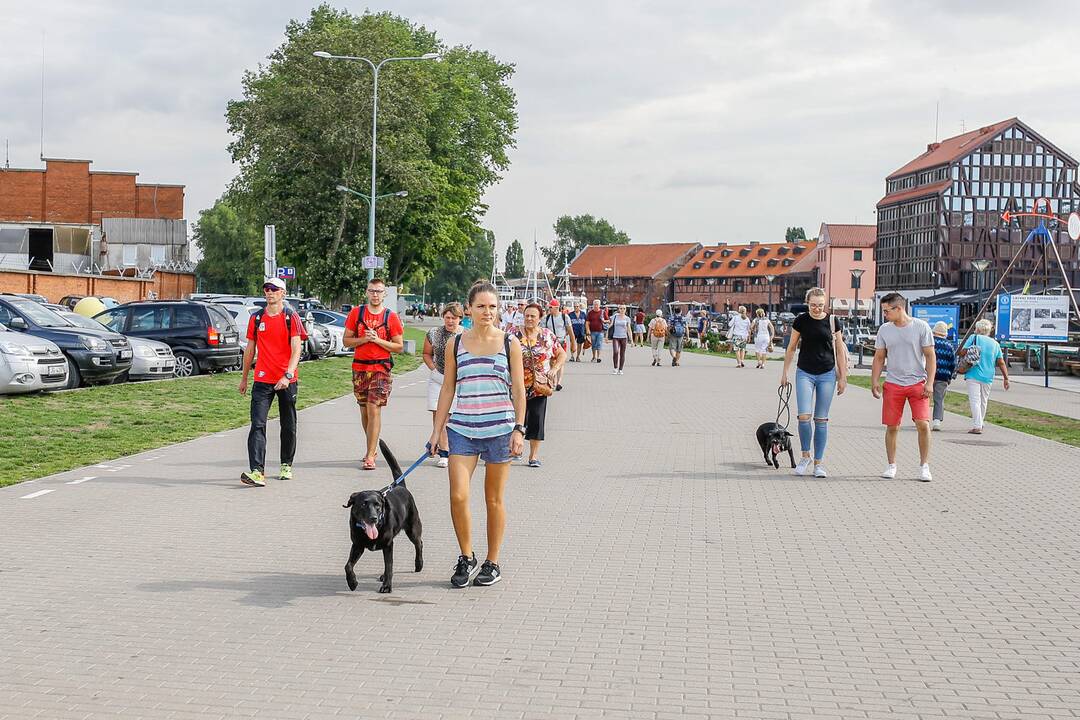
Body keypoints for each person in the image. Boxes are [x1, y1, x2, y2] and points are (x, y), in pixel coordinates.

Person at [429, 281, 526, 588]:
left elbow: (520, 391)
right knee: (458, 495)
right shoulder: (455, 344)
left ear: (499, 310)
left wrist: (520, 429)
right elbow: (447, 388)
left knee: (493, 499)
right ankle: (466, 555)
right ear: (469, 309)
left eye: (493, 307)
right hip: (462, 431)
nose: (487, 312)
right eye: (481, 306)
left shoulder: (510, 343)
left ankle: (492, 561)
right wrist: (436, 431)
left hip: (499, 430)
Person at [238, 277, 303, 487]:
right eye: (266, 289)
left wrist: (288, 375)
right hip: (262, 379)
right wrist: (245, 377)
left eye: (274, 289)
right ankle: (257, 471)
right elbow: (250, 349)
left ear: (283, 293)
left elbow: (297, 349)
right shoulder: (256, 318)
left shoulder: (290, 317)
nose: (269, 292)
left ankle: (286, 464)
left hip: (286, 379)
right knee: (257, 424)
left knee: (288, 425)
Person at [779, 287, 847, 478]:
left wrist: (843, 377)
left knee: (821, 419)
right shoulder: (801, 320)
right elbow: (791, 348)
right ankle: (804, 456)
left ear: (825, 304)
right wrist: (785, 372)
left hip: (827, 373)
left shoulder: (833, 321)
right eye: (813, 305)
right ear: (807, 303)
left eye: (820, 305)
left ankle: (818, 463)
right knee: (803, 416)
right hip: (805, 373)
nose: (816, 309)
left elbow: (840, 351)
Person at [871, 293, 935, 482]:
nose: (884, 314)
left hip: (918, 383)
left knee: (923, 424)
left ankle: (924, 466)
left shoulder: (921, 327)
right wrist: (874, 380)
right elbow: (879, 357)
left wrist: (930, 382)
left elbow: (930, 357)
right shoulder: (885, 330)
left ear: (898, 308)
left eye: (886, 311)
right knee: (892, 426)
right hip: (893, 383)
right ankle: (891, 465)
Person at [344, 277, 404, 471]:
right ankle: (371, 446)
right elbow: (346, 341)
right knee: (364, 411)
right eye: (372, 291)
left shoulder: (390, 317)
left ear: (384, 294)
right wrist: (363, 339)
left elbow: (398, 346)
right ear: (367, 292)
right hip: (360, 368)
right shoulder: (356, 313)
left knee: (373, 407)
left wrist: (378, 340)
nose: (375, 295)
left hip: (380, 368)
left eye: (378, 291)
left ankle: (370, 455)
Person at [512, 301, 566, 467]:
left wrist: (554, 369)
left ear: (540, 318)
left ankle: (533, 456)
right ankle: (515, 449)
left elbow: (562, 354)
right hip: (516, 385)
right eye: (526, 315)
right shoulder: (513, 334)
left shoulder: (547, 336)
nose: (528, 319)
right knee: (516, 419)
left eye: (532, 316)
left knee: (537, 419)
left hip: (539, 387)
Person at [423, 303, 464, 468]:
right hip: (437, 377)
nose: (450, 321)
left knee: (450, 417)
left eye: (454, 318)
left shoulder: (465, 335)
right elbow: (426, 353)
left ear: (460, 318)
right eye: (447, 317)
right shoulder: (434, 333)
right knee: (438, 414)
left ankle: (446, 446)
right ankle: (443, 451)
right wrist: (433, 369)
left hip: (456, 380)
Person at [959, 318, 1009, 434]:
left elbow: (962, 352)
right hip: (988, 376)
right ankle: (980, 422)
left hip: (973, 373)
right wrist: (1006, 378)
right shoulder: (995, 344)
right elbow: (1001, 362)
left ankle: (977, 426)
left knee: (975, 400)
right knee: (983, 400)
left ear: (977, 328)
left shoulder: (973, 338)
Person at [930, 321, 956, 431]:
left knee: (923, 398)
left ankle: (921, 418)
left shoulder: (929, 343)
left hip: (927, 374)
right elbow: (952, 364)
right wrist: (950, 377)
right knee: (939, 399)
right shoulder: (949, 346)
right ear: (945, 333)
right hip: (943, 376)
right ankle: (936, 421)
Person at [543, 300, 574, 390]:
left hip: (561, 342)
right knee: (552, 362)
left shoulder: (565, 317)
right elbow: (542, 330)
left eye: (550, 307)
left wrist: (573, 343)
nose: (549, 309)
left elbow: (570, 330)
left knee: (561, 361)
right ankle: (554, 381)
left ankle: (559, 382)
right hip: (550, 343)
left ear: (556, 308)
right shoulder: (547, 318)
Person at [609, 304, 632, 374]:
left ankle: (620, 369)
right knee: (615, 352)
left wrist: (631, 340)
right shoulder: (614, 317)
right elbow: (611, 325)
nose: (622, 310)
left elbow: (629, 329)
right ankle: (615, 368)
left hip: (624, 337)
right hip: (615, 337)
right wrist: (607, 336)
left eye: (624, 308)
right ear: (618, 309)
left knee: (622, 353)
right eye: (621, 308)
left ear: (625, 310)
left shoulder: (627, 318)